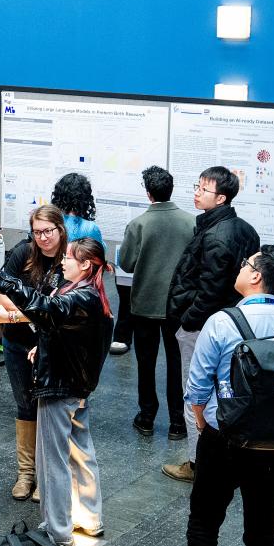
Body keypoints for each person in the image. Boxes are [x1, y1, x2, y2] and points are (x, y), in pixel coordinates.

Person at [0, 236, 114, 546]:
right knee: (81, 452)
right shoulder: (90, 294)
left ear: (85, 265)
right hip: (76, 387)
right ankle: (89, 518)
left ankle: (58, 531)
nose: (63, 262)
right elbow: (68, 332)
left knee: (52, 462)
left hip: (60, 387)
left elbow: (44, 308)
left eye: (69, 258)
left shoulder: (79, 296)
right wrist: (44, 346)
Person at [184, 246, 274, 546]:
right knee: (263, 532)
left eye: (246, 264)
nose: (241, 267)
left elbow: (197, 387)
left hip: (223, 437)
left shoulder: (222, 321)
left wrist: (203, 424)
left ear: (256, 277)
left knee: (204, 524)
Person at [163, 166, 260, 483]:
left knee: (195, 394)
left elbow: (210, 291)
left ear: (221, 198)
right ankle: (223, 458)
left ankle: (197, 463)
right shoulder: (244, 229)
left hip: (204, 326)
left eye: (203, 189)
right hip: (234, 324)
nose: (196, 193)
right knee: (228, 392)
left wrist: (188, 321)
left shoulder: (216, 235)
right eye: (197, 186)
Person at [0, 204, 68, 502]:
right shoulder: (23, 253)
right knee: (24, 404)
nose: (43, 238)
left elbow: (60, 313)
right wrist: (36, 313)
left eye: (48, 231)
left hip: (53, 345)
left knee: (49, 408)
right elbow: (3, 295)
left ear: (60, 229)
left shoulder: (70, 259)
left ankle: (45, 475)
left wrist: (15, 315)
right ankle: (26, 473)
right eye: (37, 232)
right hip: (17, 343)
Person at [119, 166, 195, 441]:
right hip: (179, 305)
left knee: (146, 362)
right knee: (178, 363)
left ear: (148, 193)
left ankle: (147, 417)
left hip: (145, 303)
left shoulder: (139, 224)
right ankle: (178, 422)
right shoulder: (191, 222)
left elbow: (126, 263)